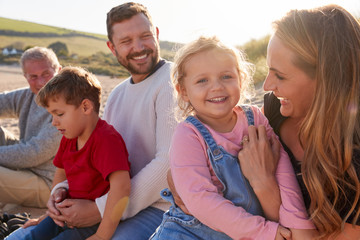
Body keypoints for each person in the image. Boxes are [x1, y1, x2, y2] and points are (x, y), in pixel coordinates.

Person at [6, 2, 177, 240]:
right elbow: (96, 158)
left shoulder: (172, 82)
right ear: (112, 47)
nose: (138, 47)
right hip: (107, 200)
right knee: (21, 236)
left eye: (145, 36)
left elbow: (167, 164)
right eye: (126, 41)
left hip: (160, 205)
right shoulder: (117, 94)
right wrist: (60, 196)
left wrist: (101, 208)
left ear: (156, 34)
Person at [150, 36, 315, 240]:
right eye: (202, 80)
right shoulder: (188, 135)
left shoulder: (255, 118)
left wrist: (299, 224)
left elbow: (283, 171)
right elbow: (201, 200)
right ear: (183, 91)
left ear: (241, 79)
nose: (217, 87)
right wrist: (262, 231)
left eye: (226, 76)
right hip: (188, 233)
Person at [238, 4, 360, 239]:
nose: (267, 87)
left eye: (280, 76)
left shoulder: (354, 154)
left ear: (326, 81)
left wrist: (265, 188)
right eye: (268, 70)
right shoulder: (274, 111)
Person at [24, 66, 131, 240]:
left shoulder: (106, 140)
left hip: (94, 223)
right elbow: (61, 171)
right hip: (66, 214)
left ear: (86, 107)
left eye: (59, 114)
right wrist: (52, 206)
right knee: (31, 236)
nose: (54, 122)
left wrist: (102, 236)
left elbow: (122, 187)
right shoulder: (69, 137)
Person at [0, 46, 61, 208]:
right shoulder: (28, 95)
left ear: (59, 70)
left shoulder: (67, 104)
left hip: (48, 183)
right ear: (25, 76)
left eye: (46, 74)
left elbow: (33, 153)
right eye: (33, 76)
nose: (41, 82)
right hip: (27, 167)